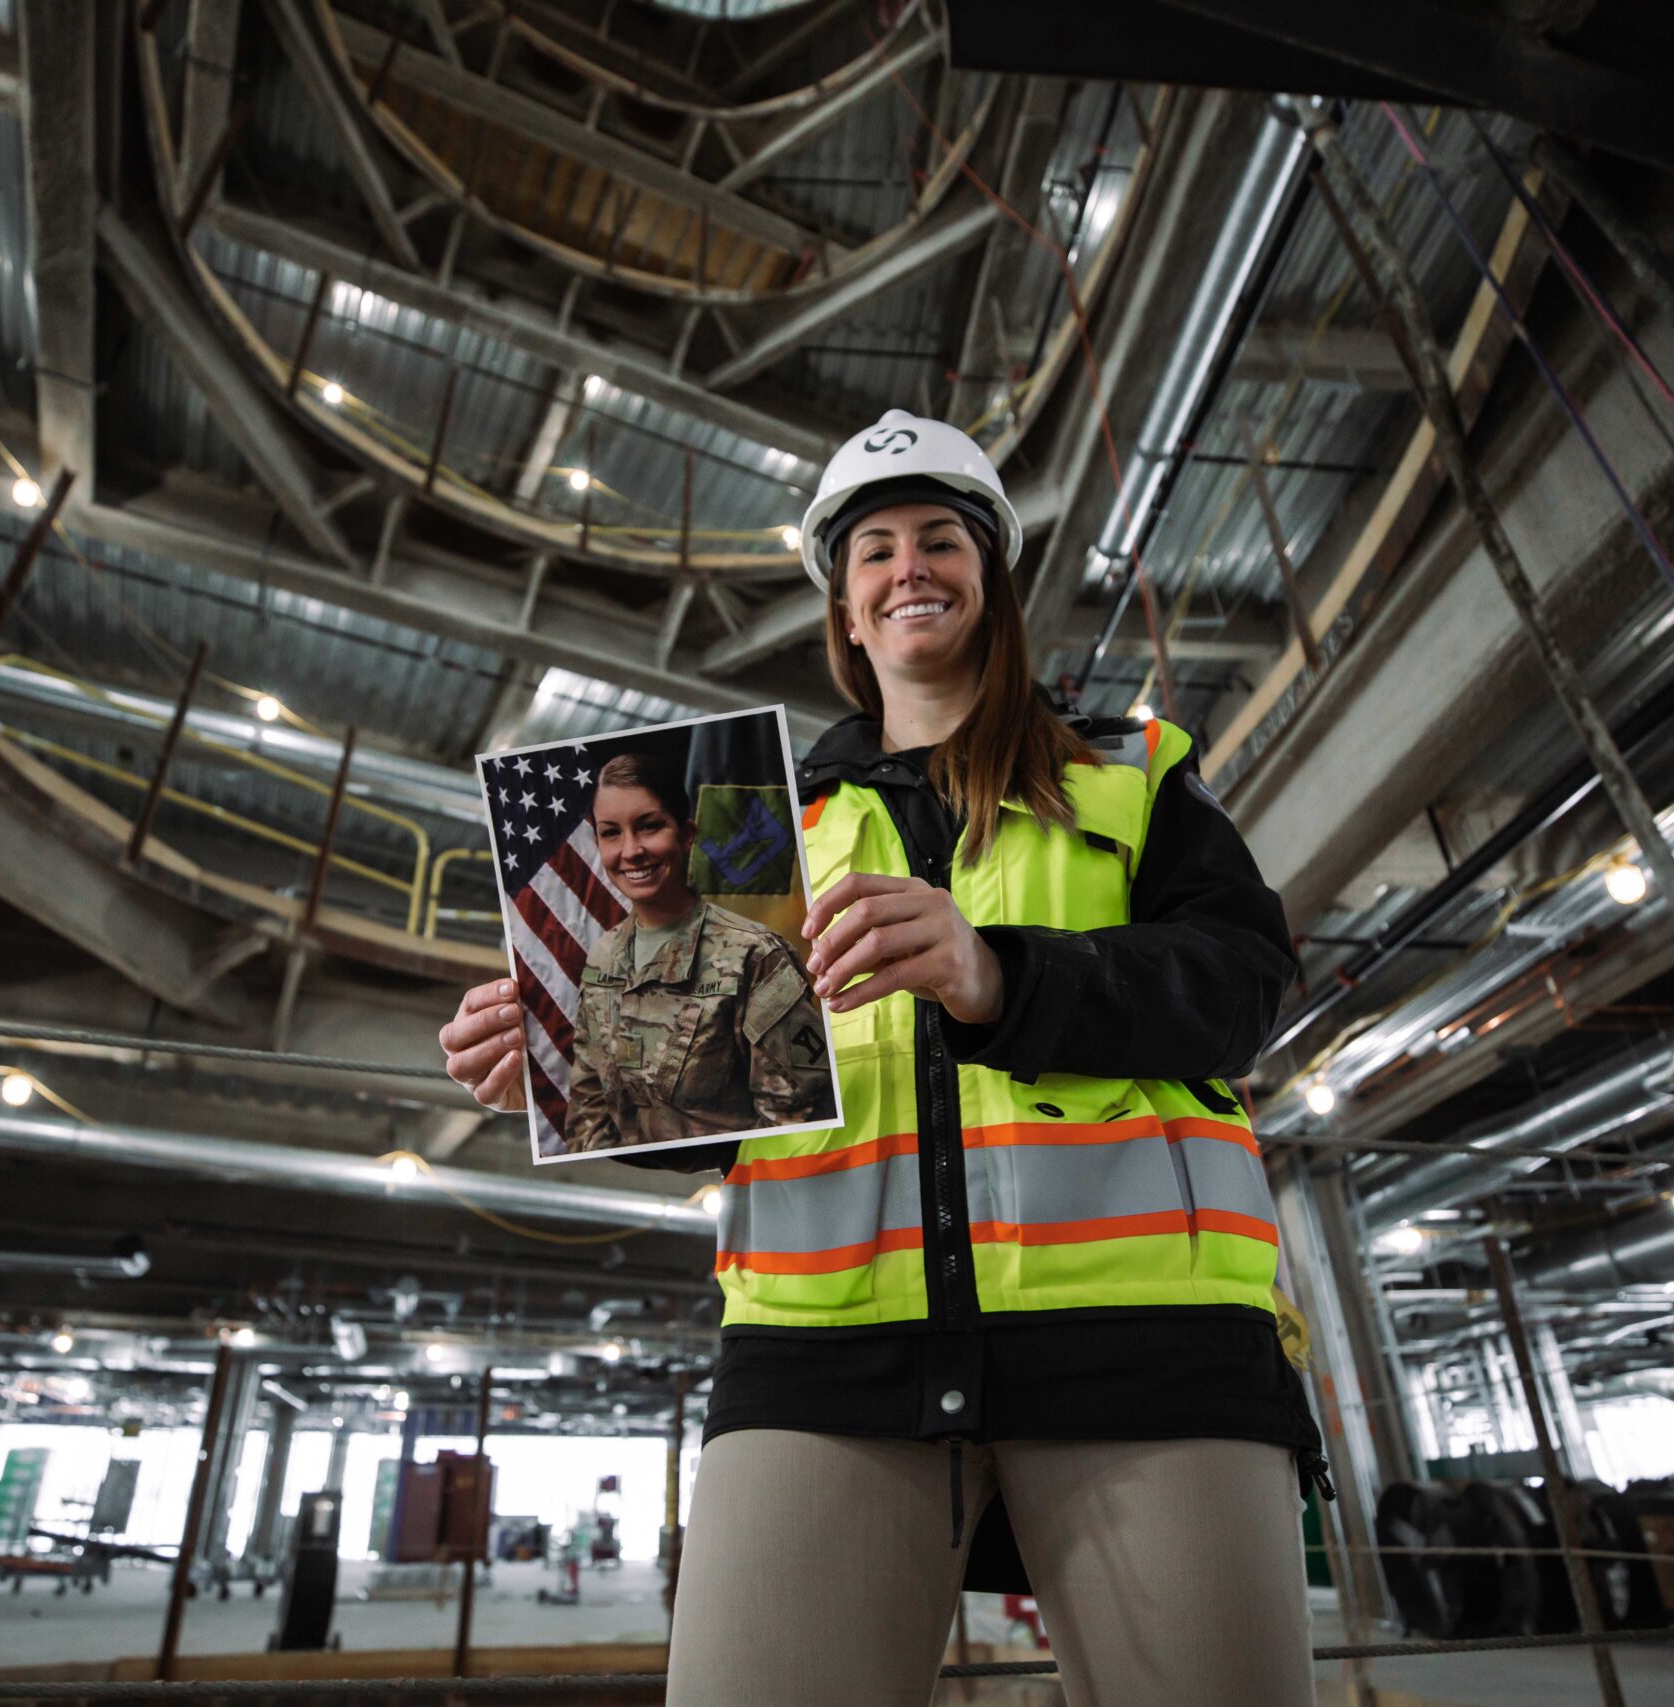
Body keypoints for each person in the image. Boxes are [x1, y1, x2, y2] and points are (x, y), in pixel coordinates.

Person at [441, 408, 1321, 1706]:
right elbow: (720, 1093)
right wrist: (574, 1055)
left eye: (941, 538)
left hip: (1148, 1345)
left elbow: (1243, 988)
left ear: (991, 578)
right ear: (845, 608)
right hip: (821, 1347)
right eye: (877, 550)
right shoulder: (754, 824)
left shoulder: (1131, 776)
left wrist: (1001, 972)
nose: (910, 564)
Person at [561, 751, 834, 1153]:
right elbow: (589, 1107)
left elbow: (796, 1115)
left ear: (686, 835)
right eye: (611, 833)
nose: (631, 850)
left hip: (734, 1187)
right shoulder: (604, 956)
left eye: (649, 826)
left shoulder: (754, 955)